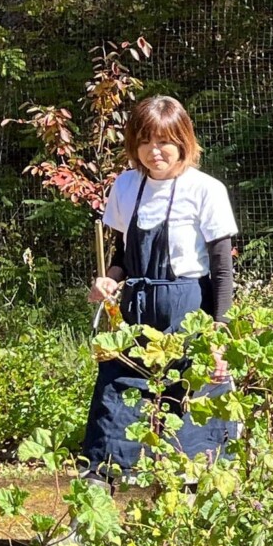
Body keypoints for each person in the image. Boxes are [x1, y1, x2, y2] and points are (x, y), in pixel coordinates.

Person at [82, 95, 239, 473]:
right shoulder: (126, 186)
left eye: (165, 141)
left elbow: (221, 272)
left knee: (192, 420)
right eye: (145, 141)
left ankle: (192, 513)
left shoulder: (205, 190)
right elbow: (123, 255)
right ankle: (95, 507)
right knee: (112, 410)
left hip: (188, 315)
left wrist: (217, 339)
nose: (155, 151)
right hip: (134, 320)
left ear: (183, 141)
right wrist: (109, 280)